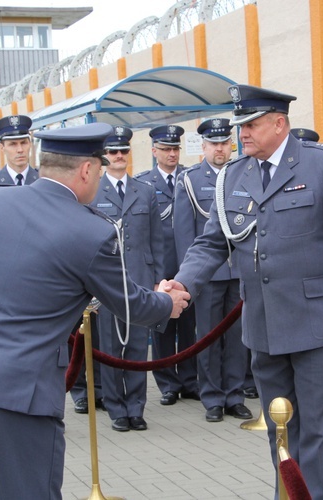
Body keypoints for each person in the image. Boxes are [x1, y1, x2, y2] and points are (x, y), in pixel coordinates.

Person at [0, 123, 190, 499]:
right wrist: (168, 303)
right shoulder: (90, 232)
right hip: (21, 392)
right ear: (87, 170)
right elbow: (130, 304)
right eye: (100, 170)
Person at [166, 84, 323, 500]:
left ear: (280, 124)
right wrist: (182, 283)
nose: (241, 134)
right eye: (239, 126)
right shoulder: (235, 174)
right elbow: (213, 242)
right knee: (281, 429)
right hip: (263, 326)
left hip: (319, 326)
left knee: (321, 431)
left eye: (251, 125)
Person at [173, 118, 252, 423]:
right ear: (203, 146)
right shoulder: (191, 180)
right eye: (213, 144)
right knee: (207, 337)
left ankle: (235, 395)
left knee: (237, 337)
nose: (220, 149)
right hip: (208, 276)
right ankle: (212, 398)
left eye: (224, 143)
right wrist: (189, 281)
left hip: (238, 272)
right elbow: (184, 235)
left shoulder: (242, 174)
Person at [89, 126, 165, 432]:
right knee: (109, 346)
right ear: (104, 156)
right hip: (107, 283)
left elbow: (157, 241)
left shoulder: (144, 190)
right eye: (113, 152)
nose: (119, 157)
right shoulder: (94, 191)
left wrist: (158, 280)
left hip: (140, 280)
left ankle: (136, 407)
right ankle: (116, 408)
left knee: (136, 346)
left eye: (124, 151)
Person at [136, 124, 199, 405]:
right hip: (161, 268)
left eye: (175, 148)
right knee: (161, 328)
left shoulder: (190, 178)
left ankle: (188, 379)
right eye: (166, 149)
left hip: (187, 266)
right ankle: (167, 384)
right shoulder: (144, 183)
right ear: (154, 151)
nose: (172, 154)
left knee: (188, 327)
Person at [0, 114, 39, 187]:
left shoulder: (43, 180)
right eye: (13, 144)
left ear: (30, 144)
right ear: (1, 147)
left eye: (23, 143)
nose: (20, 150)